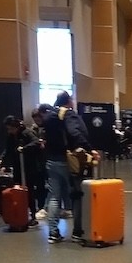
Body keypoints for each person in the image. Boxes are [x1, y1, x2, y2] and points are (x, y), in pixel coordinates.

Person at [42, 92, 98, 244]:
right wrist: (89, 148)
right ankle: (77, 232)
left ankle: (53, 233)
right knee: (76, 195)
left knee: (54, 197)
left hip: (51, 160)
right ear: (68, 101)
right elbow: (74, 133)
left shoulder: (49, 115)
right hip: (69, 161)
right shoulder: (68, 114)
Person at [0, 116, 41, 227]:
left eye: (11, 128)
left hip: (28, 166)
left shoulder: (26, 132)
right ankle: (20, 214)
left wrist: (24, 148)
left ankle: (33, 215)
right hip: (18, 166)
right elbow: (7, 149)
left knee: (29, 190)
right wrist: (1, 158)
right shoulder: (11, 136)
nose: (10, 131)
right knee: (18, 189)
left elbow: (36, 142)